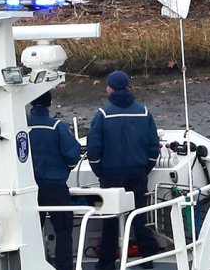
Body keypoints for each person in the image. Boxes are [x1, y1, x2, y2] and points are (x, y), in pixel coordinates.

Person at [87, 72, 162, 257]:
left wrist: (99, 171)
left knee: (109, 219)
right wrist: (146, 168)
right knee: (139, 217)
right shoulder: (143, 112)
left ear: (111, 88)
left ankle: (106, 262)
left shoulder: (103, 114)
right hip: (137, 173)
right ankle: (148, 258)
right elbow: (154, 146)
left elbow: (94, 148)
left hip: (110, 175)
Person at [26, 91, 83, 270]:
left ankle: (31, 263)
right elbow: (73, 155)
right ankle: (63, 267)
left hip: (28, 187)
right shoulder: (57, 126)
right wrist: (64, 169)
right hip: (55, 186)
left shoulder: (20, 126)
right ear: (49, 103)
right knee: (64, 229)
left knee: (30, 230)